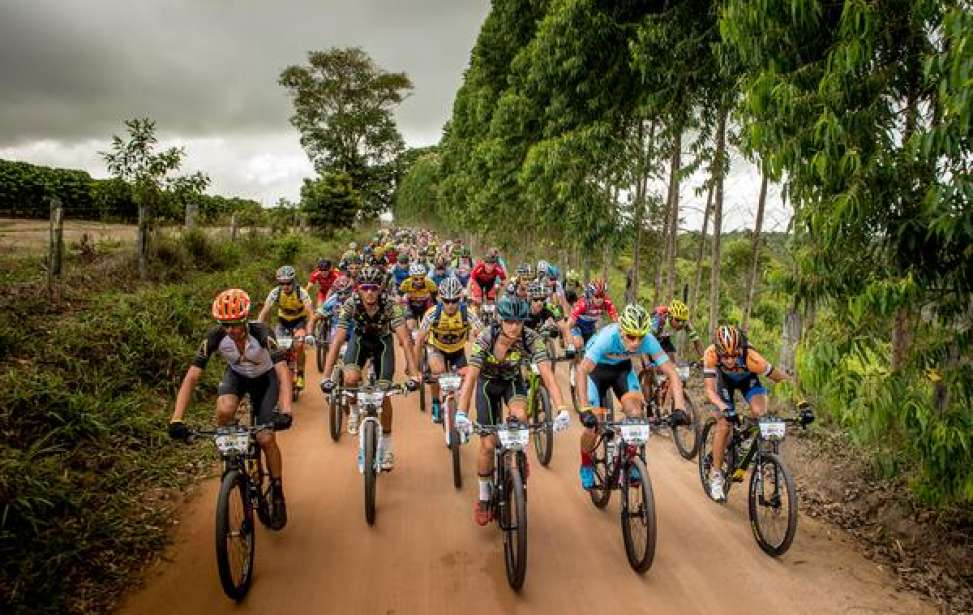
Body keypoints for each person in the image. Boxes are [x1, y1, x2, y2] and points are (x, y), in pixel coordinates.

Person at [168, 289, 294, 529]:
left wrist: (286, 411)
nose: (230, 330)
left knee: (266, 437)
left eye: (235, 324)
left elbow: (281, 370)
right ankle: (230, 457)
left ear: (245, 320)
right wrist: (177, 419)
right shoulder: (215, 337)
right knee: (225, 409)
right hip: (237, 376)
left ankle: (277, 490)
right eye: (225, 325)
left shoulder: (261, 332)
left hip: (266, 379)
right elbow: (192, 376)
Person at [453, 296, 572, 525]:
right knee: (487, 444)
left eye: (519, 321)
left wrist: (562, 409)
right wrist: (461, 412)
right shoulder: (486, 337)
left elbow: (548, 375)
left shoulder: (531, 338)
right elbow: (471, 378)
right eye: (509, 321)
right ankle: (484, 497)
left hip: (512, 382)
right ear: (501, 319)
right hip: (487, 384)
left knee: (521, 418)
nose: (514, 326)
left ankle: (519, 454)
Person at [574, 304, 688, 489]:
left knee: (635, 414)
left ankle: (631, 457)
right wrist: (585, 408)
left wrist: (680, 408)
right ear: (621, 331)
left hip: (622, 372)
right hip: (596, 372)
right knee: (592, 428)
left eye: (640, 337)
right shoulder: (606, 338)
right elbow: (582, 370)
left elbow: (672, 373)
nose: (636, 342)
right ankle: (586, 464)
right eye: (631, 336)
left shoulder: (648, 339)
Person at [320, 267, 420, 469]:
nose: (369, 293)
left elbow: (405, 340)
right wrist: (326, 376)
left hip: (383, 344)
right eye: (365, 288)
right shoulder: (350, 304)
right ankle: (355, 410)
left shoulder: (391, 305)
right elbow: (338, 340)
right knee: (350, 379)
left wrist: (415, 372)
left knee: (385, 392)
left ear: (380, 288)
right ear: (358, 289)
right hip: (360, 342)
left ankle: (388, 446)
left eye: (373, 288)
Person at [702, 325, 803, 501]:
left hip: (748, 379)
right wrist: (724, 408)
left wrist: (802, 403)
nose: (730, 360)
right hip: (723, 383)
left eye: (734, 355)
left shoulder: (753, 358)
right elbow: (710, 391)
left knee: (760, 413)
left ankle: (746, 438)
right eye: (725, 356)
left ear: (740, 349)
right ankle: (716, 476)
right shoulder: (710, 354)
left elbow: (783, 380)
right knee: (725, 423)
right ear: (718, 352)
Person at [415, 276, 482, 423]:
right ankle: (436, 402)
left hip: (457, 350)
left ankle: (459, 409)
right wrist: (417, 370)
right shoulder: (432, 313)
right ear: (440, 299)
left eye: (454, 301)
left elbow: (481, 334)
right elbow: (419, 340)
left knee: (466, 380)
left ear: (460, 298)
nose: (450, 305)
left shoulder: (468, 313)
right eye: (446, 301)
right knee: (437, 372)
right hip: (436, 348)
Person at [257, 265, 316, 391]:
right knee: (279, 349)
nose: (285, 286)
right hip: (283, 322)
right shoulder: (275, 292)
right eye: (282, 283)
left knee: (299, 345)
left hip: (299, 321)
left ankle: (300, 374)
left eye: (288, 283)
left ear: (293, 281)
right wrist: (257, 329)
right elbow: (264, 313)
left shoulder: (301, 292)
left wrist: (310, 333)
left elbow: (311, 314)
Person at [566, 279, 618, 355]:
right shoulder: (583, 303)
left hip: (590, 327)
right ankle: (576, 363)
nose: (600, 299)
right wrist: (570, 346)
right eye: (596, 296)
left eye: (602, 296)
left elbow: (616, 323)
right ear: (591, 295)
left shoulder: (607, 302)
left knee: (593, 349)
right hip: (577, 325)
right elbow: (568, 326)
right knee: (578, 344)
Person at [399, 262, 439, 332]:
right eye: (416, 279)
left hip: (425, 306)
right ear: (411, 277)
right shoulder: (406, 283)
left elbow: (436, 298)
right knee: (410, 327)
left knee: (426, 329)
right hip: (411, 306)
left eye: (421, 278)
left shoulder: (430, 283)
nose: (419, 281)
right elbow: (398, 297)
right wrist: (402, 301)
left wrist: (435, 310)